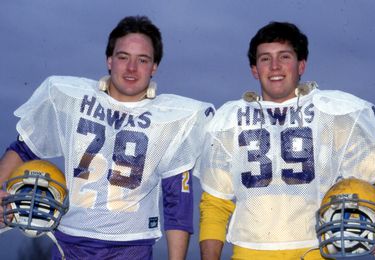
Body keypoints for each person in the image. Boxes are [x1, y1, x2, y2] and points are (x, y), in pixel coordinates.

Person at [0, 15, 214, 260]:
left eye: (142, 60)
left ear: (154, 66)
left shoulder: (173, 119)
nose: (131, 68)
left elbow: (177, 202)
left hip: (131, 248)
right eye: (123, 57)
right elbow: (24, 148)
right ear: (109, 60)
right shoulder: (70, 98)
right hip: (68, 242)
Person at [195, 21, 375, 259]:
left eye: (284, 57)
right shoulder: (228, 120)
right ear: (254, 69)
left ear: (301, 65)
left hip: (315, 251)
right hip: (249, 253)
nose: (274, 66)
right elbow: (215, 203)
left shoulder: (332, 113)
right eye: (265, 59)